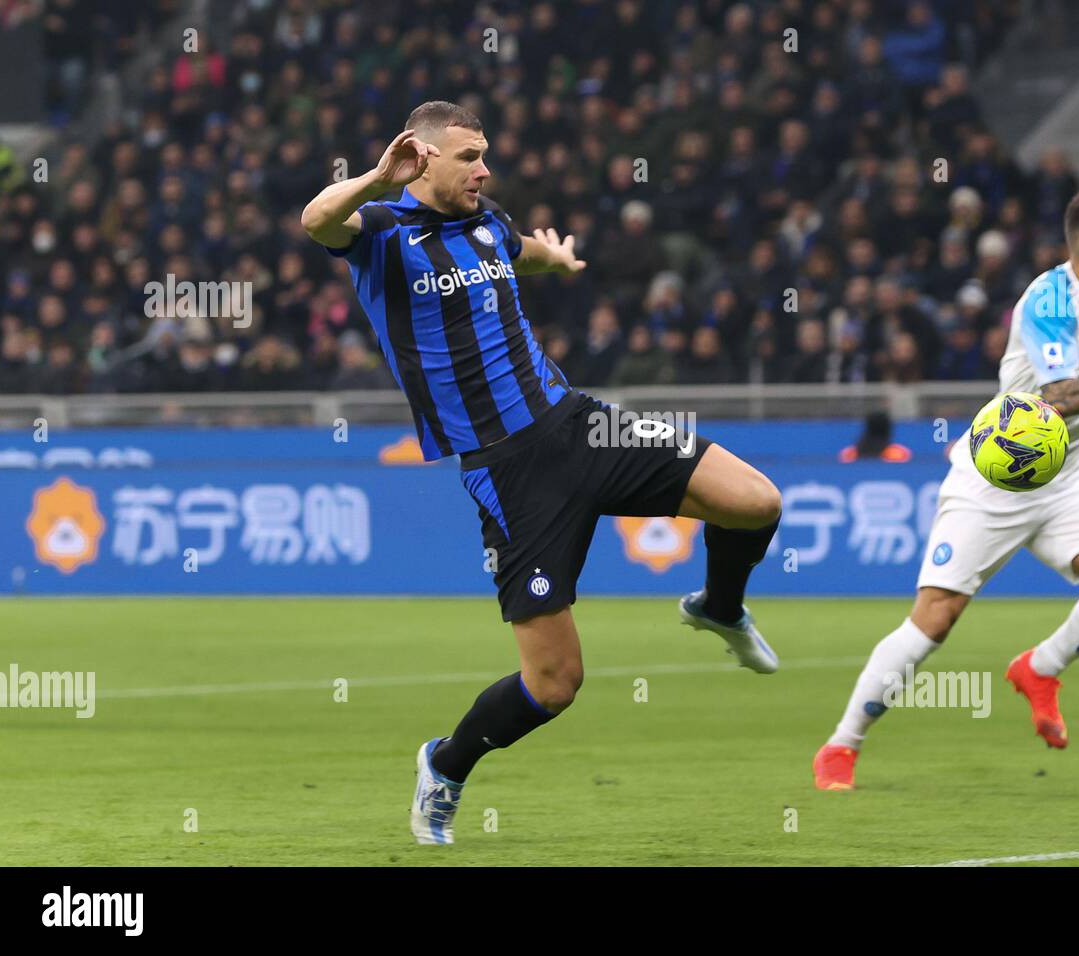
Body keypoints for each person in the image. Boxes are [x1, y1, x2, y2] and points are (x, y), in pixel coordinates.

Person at [301, 102, 782, 843]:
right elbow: (316, 222)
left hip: (577, 422)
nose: (485, 168)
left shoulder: (488, 219)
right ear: (421, 159)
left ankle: (720, 606)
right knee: (556, 686)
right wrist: (374, 175)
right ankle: (447, 766)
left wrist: (550, 257)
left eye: (486, 154)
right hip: (508, 470)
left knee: (755, 502)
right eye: (468, 157)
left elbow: (510, 248)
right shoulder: (383, 235)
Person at [813, 186, 1079, 789]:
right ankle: (841, 746)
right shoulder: (1047, 301)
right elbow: (1056, 396)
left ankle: (1040, 669)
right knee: (935, 621)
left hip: (1063, 484)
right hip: (995, 480)